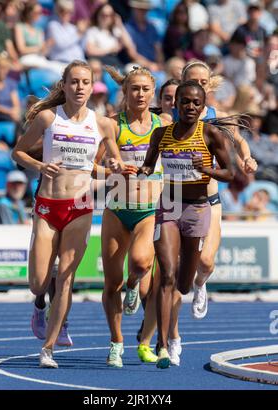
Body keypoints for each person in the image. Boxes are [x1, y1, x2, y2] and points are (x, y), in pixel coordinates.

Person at [12, 60, 125, 369]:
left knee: (66, 279)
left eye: (85, 82)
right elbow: (18, 152)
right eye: (74, 81)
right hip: (48, 206)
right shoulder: (48, 118)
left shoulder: (103, 124)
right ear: (64, 85)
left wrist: (115, 167)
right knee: (38, 281)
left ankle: (48, 348)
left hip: (80, 207)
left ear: (91, 87)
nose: (79, 87)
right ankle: (39, 303)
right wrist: (39, 166)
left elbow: (113, 163)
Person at [138, 80, 235, 368]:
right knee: (166, 274)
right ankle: (163, 345)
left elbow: (232, 172)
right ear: (175, 103)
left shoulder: (211, 134)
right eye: (185, 102)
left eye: (196, 103)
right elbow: (149, 163)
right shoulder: (161, 134)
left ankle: (192, 288)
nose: (190, 107)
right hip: (168, 206)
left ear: (203, 107)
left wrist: (206, 168)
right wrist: (142, 170)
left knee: (182, 283)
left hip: (197, 209)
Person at [169, 60, 257, 321]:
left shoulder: (216, 118)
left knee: (205, 262)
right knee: (173, 266)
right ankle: (166, 327)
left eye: (203, 83)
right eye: (192, 81)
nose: (197, 86)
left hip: (209, 198)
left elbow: (239, 141)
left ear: (209, 86)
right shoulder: (170, 116)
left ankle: (200, 284)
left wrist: (246, 160)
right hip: (176, 199)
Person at [99, 65, 169, 368]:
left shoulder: (163, 123)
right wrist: (111, 166)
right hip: (116, 209)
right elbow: (96, 164)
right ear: (125, 92)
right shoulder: (113, 125)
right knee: (110, 283)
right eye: (133, 89)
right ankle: (117, 342)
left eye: (144, 89)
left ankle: (133, 285)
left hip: (149, 209)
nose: (139, 94)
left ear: (152, 93)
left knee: (141, 263)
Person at [137, 78, 183, 366]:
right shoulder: (154, 125)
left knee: (168, 279)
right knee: (145, 284)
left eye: (175, 99)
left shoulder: (191, 128)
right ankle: (154, 330)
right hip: (142, 207)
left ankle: (167, 338)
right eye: (167, 98)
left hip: (175, 205)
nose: (172, 104)